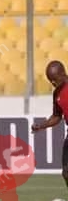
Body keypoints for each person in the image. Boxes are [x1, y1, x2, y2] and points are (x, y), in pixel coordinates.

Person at [31, 60, 68, 190]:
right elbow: (57, 116)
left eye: (55, 79)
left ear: (63, 73)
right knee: (66, 172)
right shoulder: (57, 93)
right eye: (50, 80)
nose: (53, 83)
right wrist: (42, 125)